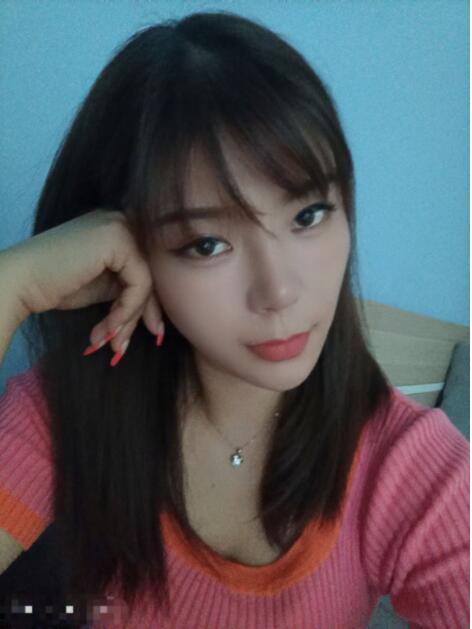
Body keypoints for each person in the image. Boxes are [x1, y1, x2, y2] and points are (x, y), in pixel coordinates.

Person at [0, 10, 468, 629]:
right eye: (207, 244)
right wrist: (14, 284)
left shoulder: (415, 472)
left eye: (308, 215)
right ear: (130, 250)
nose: (279, 292)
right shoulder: (69, 409)